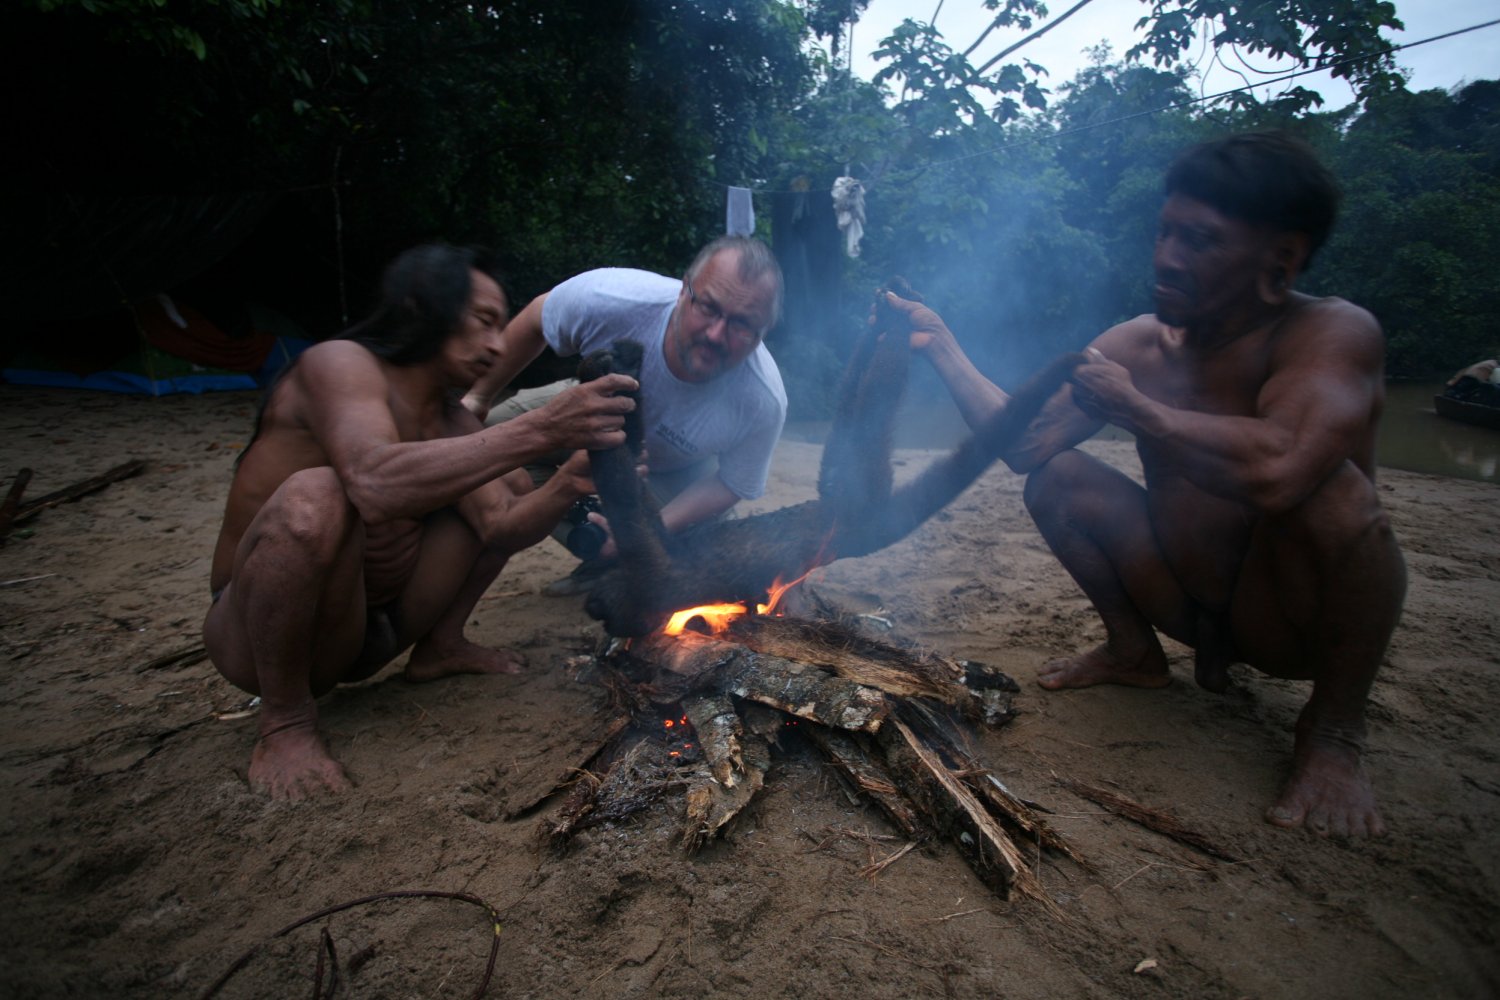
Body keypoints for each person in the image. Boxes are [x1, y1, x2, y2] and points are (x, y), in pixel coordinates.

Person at [889, 131, 1407, 838]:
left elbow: (1283, 467)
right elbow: (1027, 443)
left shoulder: (1332, 334)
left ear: (1279, 263)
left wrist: (1141, 412)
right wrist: (942, 344)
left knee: (1340, 496)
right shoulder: (1135, 343)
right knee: (1057, 475)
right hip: (1185, 600)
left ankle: (1335, 732)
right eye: (1165, 232)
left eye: (1199, 240)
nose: (1167, 258)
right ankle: (1135, 651)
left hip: (1288, 620)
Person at [202, 244, 639, 799]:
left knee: (508, 485)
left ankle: (440, 645)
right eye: (484, 321)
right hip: (256, 640)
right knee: (316, 495)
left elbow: (502, 527)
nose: (498, 346)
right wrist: (541, 429)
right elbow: (374, 483)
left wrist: (569, 482)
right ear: (421, 306)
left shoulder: (452, 419)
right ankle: (284, 722)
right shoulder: (339, 364)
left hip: (361, 638)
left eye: (502, 328)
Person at [458, 235, 787, 595]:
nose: (715, 333)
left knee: (682, 547)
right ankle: (582, 536)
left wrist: (645, 530)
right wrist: (479, 395)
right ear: (683, 291)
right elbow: (539, 315)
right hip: (589, 407)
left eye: (742, 325)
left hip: (674, 472)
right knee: (476, 442)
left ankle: (605, 558)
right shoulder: (614, 299)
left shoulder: (763, 399)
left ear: (763, 334)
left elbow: (735, 482)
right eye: (708, 307)